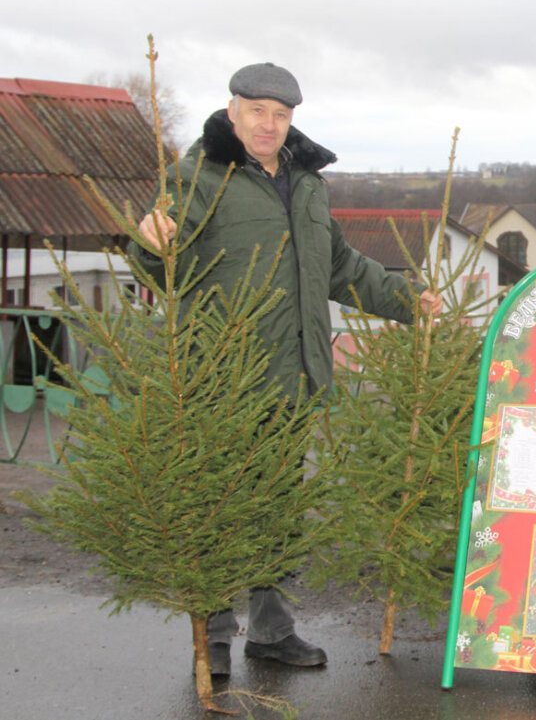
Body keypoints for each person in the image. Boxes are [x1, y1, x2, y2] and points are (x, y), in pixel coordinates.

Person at [131, 62, 442, 677]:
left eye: (281, 114)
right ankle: (212, 637)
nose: (269, 124)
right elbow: (160, 268)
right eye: (257, 111)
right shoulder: (197, 176)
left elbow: (341, 266)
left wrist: (410, 300)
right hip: (224, 375)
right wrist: (149, 244)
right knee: (218, 503)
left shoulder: (306, 183)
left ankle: (272, 632)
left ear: (291, 119)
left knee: (278, 508)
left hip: (293, 376)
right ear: (233, 111)